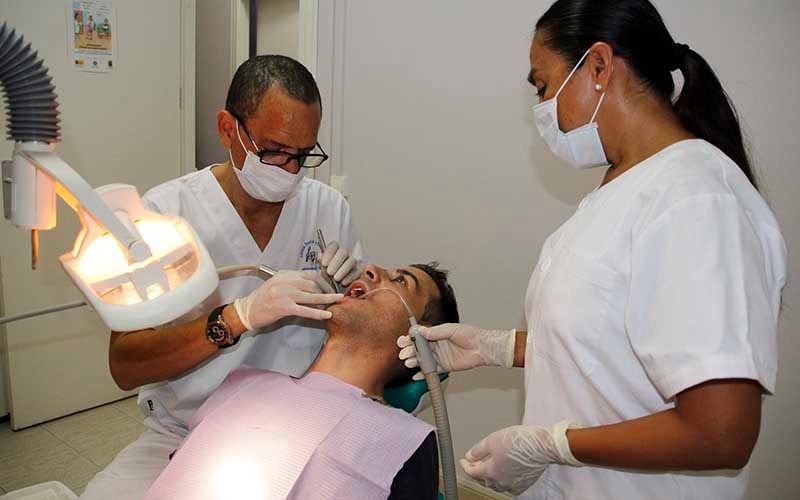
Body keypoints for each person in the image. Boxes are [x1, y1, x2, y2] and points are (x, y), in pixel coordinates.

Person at [399, 1, 787, 499]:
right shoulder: (618, 193)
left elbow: (721, 432)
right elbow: (614, 345)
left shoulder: (695, 199)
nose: (542, 110)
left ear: (600, 67)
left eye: (543, 86)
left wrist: (554, 445)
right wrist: (497, 347)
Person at [81, 56, 364, 499]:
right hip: (186, 429)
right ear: (228, 128)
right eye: (274, 150)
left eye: (304, 155)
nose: (290, 170)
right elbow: (126, 365)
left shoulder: (328, 210)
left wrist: (347, 303)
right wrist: (235, 318)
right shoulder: (166, 214)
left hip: (298, 430)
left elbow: (359, 341)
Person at [143, 263, 459, 500]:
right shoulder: (245, 383)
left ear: (420, 339)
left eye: (401, 281)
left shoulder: (404, 441)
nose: (370, 269)